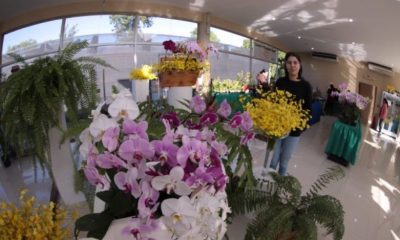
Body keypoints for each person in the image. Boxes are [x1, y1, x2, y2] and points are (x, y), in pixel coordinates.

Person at [268, 52, 312, 175]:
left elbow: (308, 110)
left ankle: (278, 188)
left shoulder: (306, 86)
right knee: (273, 159)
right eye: (289, 62)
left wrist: (299, 126)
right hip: (277, 127)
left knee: (284, 162)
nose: (292, 65)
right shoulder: (280, 82)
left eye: (295, 62)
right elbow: (272, 104)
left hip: (294, 130)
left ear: (299, 65)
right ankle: (267, 188)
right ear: (285, 66)